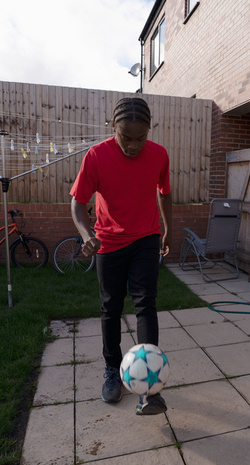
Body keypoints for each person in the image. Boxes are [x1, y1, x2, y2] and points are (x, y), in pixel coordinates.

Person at [70, 96, 172, 415]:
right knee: (110, 308)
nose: (133, 145)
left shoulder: (158, 155)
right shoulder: (97, 156)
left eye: (140, 138)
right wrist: (87, 236)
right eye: (125, 137)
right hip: (109, 242)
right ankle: (113, 370)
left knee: (145, 304)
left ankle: (150, 388)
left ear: (149, 132)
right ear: (112, 127)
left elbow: (165, 193)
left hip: (145, 237)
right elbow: (77, 203)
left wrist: (167, 229)